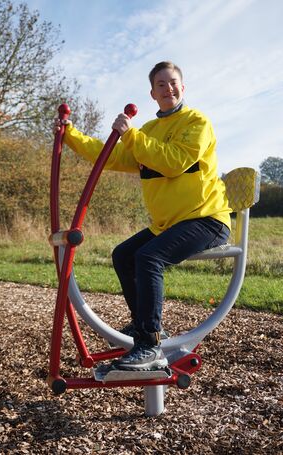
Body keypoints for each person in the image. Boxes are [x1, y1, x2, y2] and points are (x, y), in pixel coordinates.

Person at [55, 61, 231, 372]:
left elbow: (174, 161)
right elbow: (109, 155)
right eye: (161, 84)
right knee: (123, 255)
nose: (168, 88)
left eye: (173, 82)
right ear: (152, 93)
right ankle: (145, 327)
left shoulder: (196, 122)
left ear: (183, 87)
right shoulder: (149, 131)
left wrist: (132, 137)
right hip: (170, 223)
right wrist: (70, 136)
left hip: (206, 219)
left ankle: (150, 344)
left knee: (149, 257)